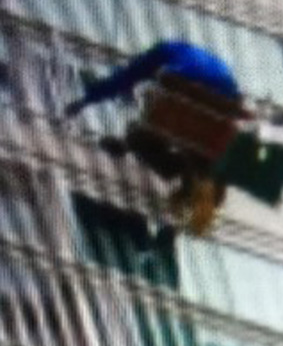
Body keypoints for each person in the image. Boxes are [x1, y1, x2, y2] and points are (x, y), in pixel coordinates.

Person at [64, 40, 250, 234]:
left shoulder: (164, 51)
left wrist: (86, 100)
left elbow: (123, 79)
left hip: (180, 104)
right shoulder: (212, 65)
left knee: (138, 139)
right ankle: (197, 185)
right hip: (216, 116)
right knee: (199, 146)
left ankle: (181, 178)